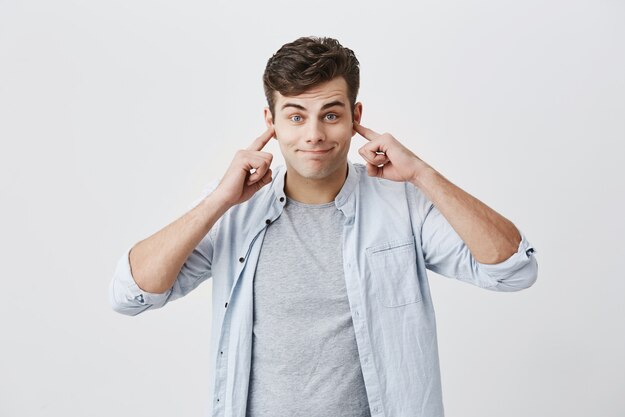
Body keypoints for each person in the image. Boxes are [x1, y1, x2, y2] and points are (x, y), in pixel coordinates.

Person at [109, 36, 538, 417]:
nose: (313, 134)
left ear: (355, 117)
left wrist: (423, 174)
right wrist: (218, 201)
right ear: (270, 123)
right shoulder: (234, 207)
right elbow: (131, 294)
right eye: (295, 116)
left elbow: (513, 269)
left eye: (330, 115)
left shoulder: (402, 205)